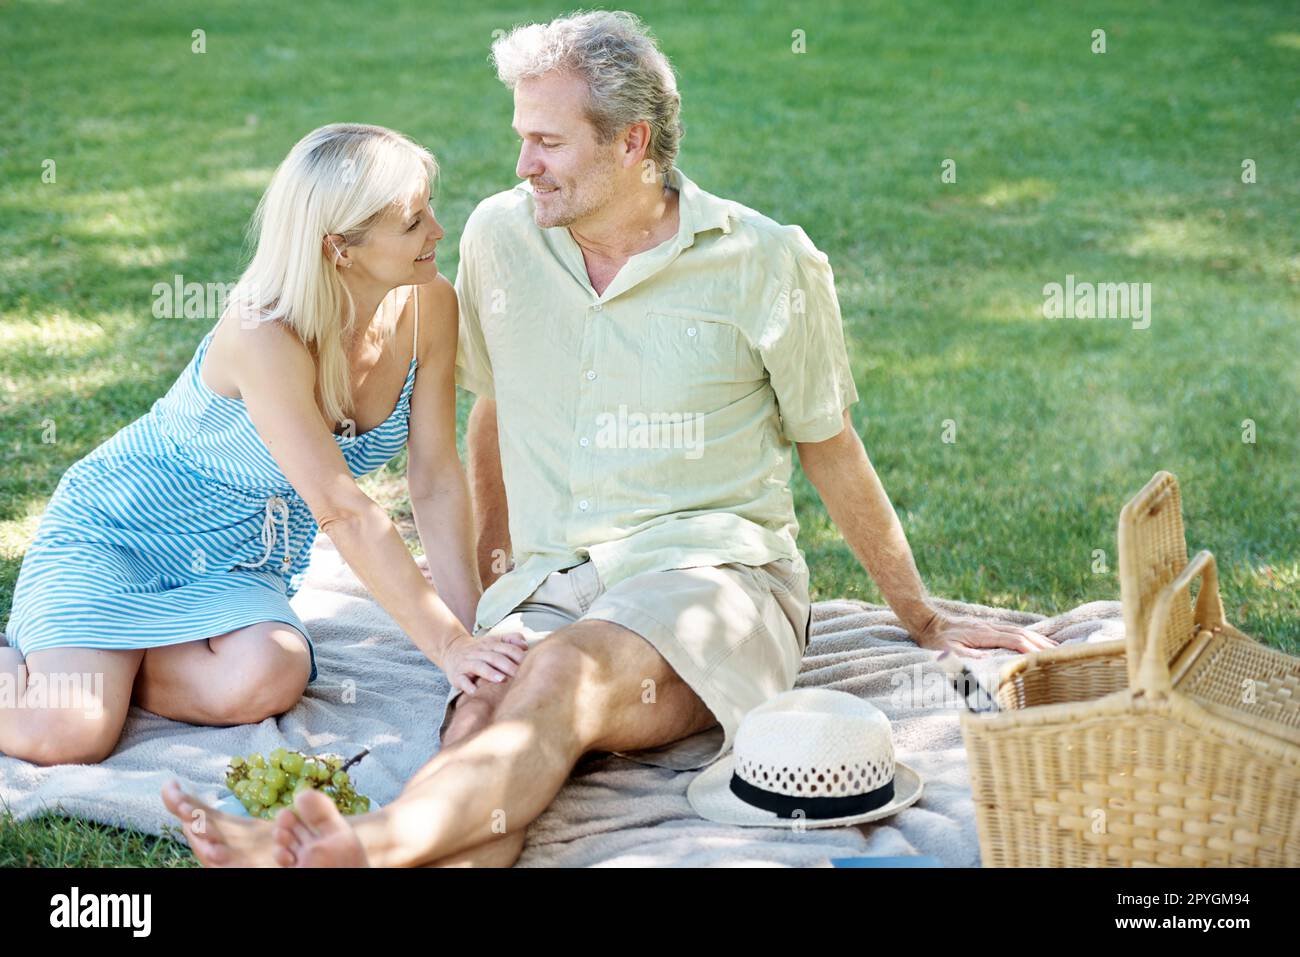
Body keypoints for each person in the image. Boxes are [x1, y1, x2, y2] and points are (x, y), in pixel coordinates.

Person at [162, 11, 1056, 867]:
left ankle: (359, 843)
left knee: (560, 676)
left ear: (631, 142)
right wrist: (486, 593)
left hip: (711, 580)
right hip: (553, 576)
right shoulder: (500, 238)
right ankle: (367, 855)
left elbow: (832, 446)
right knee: (479, 710)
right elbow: (492, 414)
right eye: (522, 137)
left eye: (548, 143)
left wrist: (925, 615)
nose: (523, 164)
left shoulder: (766, 261)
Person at [1, 123, 527, 768]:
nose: (438, 232)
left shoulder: (429, 303)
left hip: (234, 566)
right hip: (117, 538)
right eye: (414, 221)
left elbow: (436, 480)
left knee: (270, 676)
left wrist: (473, 634)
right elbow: (341, 509)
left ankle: (107, 659)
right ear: (341, 248)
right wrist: (445, 649)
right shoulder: (263, 331)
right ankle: (62, 657)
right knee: (67, 736)